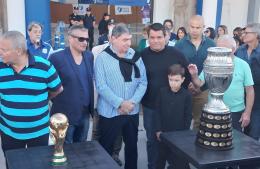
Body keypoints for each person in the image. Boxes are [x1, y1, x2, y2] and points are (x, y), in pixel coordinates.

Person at [188, 35, 255, 169]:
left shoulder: (243, 65)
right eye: (217, 48)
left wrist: (247, 113)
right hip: (213, 112)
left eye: (223, 49)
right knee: (211, 146)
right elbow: (200, 84)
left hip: (235, 113)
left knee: (234, 148)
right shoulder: (211, 62)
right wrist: (194, 75)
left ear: (233, 50)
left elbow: (250, 90)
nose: (219, 52)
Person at [95, 23, 147, 169]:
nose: (129, 43)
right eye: (125, 40)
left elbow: (143, 82)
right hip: (110, 112)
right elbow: (101, 86)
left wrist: (132, 103)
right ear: (113, 39)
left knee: (132, 146)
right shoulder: (102, 58)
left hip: (132, 110)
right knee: (106, 146)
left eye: (129, 39)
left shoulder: (136, 57)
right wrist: (120, 103)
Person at [0, 31, 63, 153]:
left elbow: (58, 89)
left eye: (3, 50)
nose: (0, 53)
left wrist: (43, 99)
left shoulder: (44, 66)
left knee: (39, 164)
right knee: (13, 164)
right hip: (8, 132)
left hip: (39, 132)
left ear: (18, 51)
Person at [141, 23, 191, 169]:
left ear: (166, 37)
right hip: (150, 107)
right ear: (147, 38)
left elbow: (186, 76)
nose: (156, 40)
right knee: (153, 141)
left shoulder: (176, 54)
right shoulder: (142, 55)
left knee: (176, 141)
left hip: (175, 106)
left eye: (159, 37)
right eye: (152, 37)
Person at [49, 25, 94, 144]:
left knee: (81, 151)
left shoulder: (89, 56)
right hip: (64, 115)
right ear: (70, 38)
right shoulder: (56, 58)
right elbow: (50, 86)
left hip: (84, 115)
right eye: (81, 39)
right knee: (62, 152)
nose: (85, 42)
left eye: (87, 39)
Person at [175, 15, 216, 130]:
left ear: (203, 28)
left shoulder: (211, 45)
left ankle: (196, 147)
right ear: (189, 26)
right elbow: (177, 67)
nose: (194, 30)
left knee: (200, 122)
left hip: (203, 89)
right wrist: (186, 83)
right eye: (192, 27)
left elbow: (212, 68)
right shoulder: (180, 44)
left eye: (198, 27)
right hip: (184, 88)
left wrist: (201, 85)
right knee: (183, 120)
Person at [155, 64, 192, 169]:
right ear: (168, 78)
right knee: (160, 158)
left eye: (176, 80)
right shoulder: (162, 92)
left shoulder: (187, 95)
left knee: (180, 161)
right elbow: (157, 112)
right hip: (163, 132)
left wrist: (184, 133)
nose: (173, 83)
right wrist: (158, 130)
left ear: (183, 79)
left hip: (179, 134)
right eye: (171, 80)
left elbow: (188, 116)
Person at [235, 23, 260, 141]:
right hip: (240, 96)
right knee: (237, 133)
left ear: (256, 35)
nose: (243, 35)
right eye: (243, 32)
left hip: (257, 97)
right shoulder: (239, 50)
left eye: (247, 32)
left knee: (253, 135)